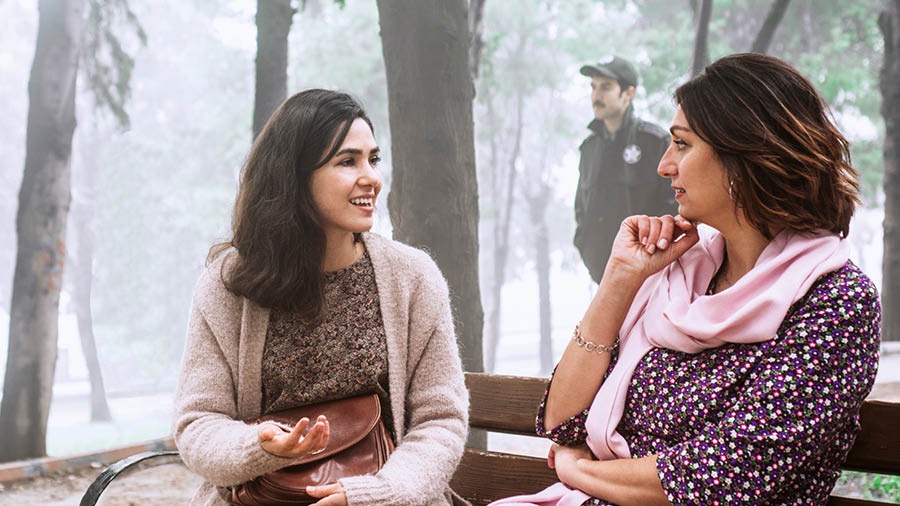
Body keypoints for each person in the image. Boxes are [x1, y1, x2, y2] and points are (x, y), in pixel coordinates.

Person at [490, 53, 881, 505]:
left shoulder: (835, 303)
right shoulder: (680, 275)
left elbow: (721, 477)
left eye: (681, 144)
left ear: (742, 157)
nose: (664, 166)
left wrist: (579, 472)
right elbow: (562, 422)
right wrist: (620, 278)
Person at [172, 89, 469, 506]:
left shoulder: (413, 277)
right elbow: (198, 423)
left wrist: (378, 494)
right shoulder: (227, 285)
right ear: (293, 176)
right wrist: (259, 445)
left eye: (373, 159)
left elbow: (440, 420)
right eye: (347, 162)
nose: (371, 177)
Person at [574, 55, 674, 283]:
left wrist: (652, 258)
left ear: (628, 93)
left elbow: (674, 205)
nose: (596, 96)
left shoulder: (655, 142)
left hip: (650, 278)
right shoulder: (589, 149)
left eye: (605, 87)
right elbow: (581, 209)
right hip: (602, 277)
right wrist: (585, 246)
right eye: (593, 87)